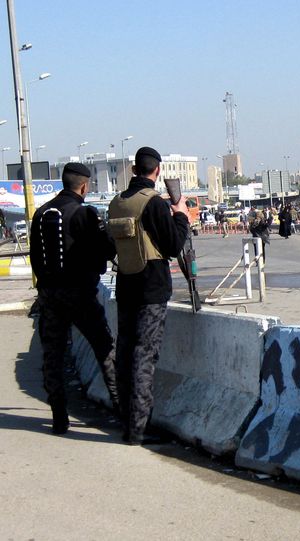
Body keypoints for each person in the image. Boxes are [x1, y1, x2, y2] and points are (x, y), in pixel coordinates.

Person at [30, 163, 119, 434]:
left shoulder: (41, 213)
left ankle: (59, 417)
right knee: (105, 350)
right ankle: (124, 412)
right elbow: (107, 250)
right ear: (84, 186)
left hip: (49, 296)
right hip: (81, 295)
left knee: (53, 358)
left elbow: (35, 257)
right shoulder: (84, 214)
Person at [108, 147, 189, 445]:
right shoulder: (153, 203)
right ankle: (139, 429)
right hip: (151, 288)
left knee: (125, 353)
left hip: (125, 285)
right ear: (158, 171)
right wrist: (181, 217)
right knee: (144, 355)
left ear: (133, 170)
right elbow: (173, 245)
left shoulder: (117, 203)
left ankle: (127, 422)